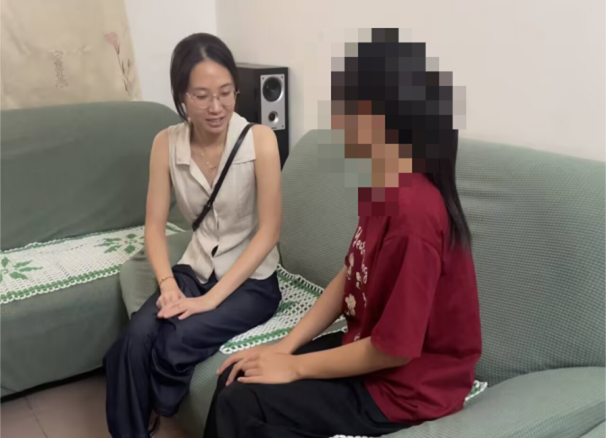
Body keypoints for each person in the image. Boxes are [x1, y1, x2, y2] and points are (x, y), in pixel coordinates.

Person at [203, 29, 483, 438]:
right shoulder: (382, 183)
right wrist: (283, 347)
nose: (340, 123)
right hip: (367, 351)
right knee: (238, 377)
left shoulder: (416, 213)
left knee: (242, 403)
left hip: (408, 388)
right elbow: (352, 273)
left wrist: (295, 367)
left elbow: (394, 349)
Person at [104, 33, 283, 438]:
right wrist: (168, 284)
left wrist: (210, 300)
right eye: (202, 96)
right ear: (182, 96)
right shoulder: (165, 144)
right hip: (194, 268)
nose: (216, 107)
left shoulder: (261, 141)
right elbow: (153, 226)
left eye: (226, 93)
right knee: (134, 339)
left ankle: (153, 402)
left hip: (251, 283)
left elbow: (270, 231)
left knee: (174, 341)